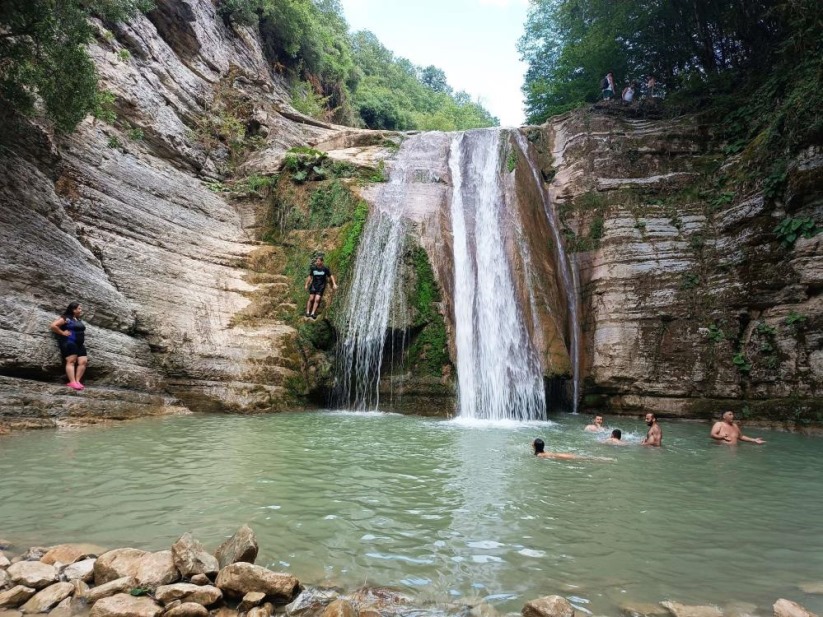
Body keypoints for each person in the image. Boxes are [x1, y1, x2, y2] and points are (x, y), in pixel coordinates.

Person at [49, 301, 88, 391]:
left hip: (80, 344)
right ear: (73, 310)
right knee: (71, 361)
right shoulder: (66, 318)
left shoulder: (77, 319)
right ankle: (72, 382)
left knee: (83, 362)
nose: (81, 310)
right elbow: (53, 326)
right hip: (69, 342)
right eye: (79, 308)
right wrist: (62, 332)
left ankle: (77, 381)